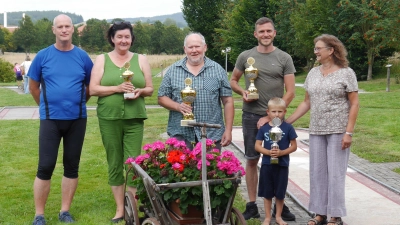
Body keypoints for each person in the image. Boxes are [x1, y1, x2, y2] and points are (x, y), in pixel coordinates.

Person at [286, 34, 359, 225]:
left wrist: (348, 132)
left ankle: (335, 215)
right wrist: (288, 122)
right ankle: (320, 213)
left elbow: (354, 104)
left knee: (335, 173)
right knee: (317, 172)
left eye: (318, 48)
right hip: (316, 130)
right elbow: (306, 102)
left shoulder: (346, 73)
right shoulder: (313, 73)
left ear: (331, 50)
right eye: (315, 48)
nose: (315, 51)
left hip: (338, 130)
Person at [29, 14, 93, 225]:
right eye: (60, 26)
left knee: (71, 166)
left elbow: (89, 87)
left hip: (77, 119)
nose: (64, 29)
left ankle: (65, 211)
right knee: (45, 166)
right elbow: (33, 87)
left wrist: (77, 103)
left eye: (68, 26)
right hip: (50, 120)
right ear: (53, 30)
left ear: (73, 29)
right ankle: (39, 215)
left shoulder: (83, 57)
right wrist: (47, 106)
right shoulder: (42, 56)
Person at [230, 17, 296, 220]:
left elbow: (291, 92)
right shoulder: (245, 56)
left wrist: (272, 117)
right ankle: (252, 205)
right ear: (255, 34)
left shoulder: (284, 58)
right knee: (252, 159)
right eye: (261, 32)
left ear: (274, 33)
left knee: (277, 158)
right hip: (250, 115)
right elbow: (233, 80)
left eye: (269, 31)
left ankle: (279, 204)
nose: (265, 34)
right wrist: (242, 91)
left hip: (275, 119)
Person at [89, 21, 153, 223]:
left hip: (134, 117)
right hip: (109, 117)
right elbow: (93, 89)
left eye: (127, 37)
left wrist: (140, 91)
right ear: (112, 39)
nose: (123, 40)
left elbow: (150, 88)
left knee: (133, 162)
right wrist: (118, 88)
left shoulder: (141, 59)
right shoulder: (102, 60)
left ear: (132, 39)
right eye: (119, 37)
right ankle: (120, 208)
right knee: (115, 161)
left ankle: (131, 205)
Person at [158, 32, 234, 150]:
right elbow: (161, 97)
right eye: (190, 47)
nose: (194, 50)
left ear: (205, 47)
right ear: (185, 49)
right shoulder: (173, 70)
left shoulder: (218, 70)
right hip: (180, 135)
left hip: (211, 134)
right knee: (181, 168)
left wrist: (228, 130)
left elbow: (228, 101)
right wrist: (178, 107)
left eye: (197, 46)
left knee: (211, 169)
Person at [255, 97, 297, 225]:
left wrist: (282, 153)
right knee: (267, 192)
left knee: (280, 192)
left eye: (280, 111)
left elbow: (294, 146)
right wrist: (268, 152)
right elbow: (257, 146)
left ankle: (278, 216)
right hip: (267, 165)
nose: (277, 114)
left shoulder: (288, 128)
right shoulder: (263, 128)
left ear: (285, 111)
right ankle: (267, 218)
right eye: (274, 111)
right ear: (268, 112)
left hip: (282, 165)